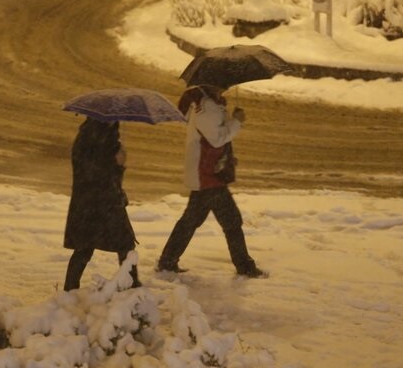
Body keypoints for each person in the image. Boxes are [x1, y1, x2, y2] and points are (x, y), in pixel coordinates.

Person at [156, 85, 266, 278]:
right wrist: (236, 122)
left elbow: (213, 140)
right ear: (212, 84)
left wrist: (227, 158)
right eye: (223, 84)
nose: (227, 87)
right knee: (231, 221)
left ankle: (167, 261)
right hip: (207, 176)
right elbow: (216, 139)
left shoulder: (210, 105)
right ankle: (244, 267)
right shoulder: (206, 108)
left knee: (191, 221)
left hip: (209, 174)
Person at [63, 117, 141, 291]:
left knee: (86, 246)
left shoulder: (98, 135)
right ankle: (132, 286)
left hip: (93, 203)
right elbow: (95, 173)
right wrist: (117, 163)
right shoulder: (95, 138)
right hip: (101, 202)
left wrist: (117, 161)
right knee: (124, 243)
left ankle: (70, 289)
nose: (117, 120)